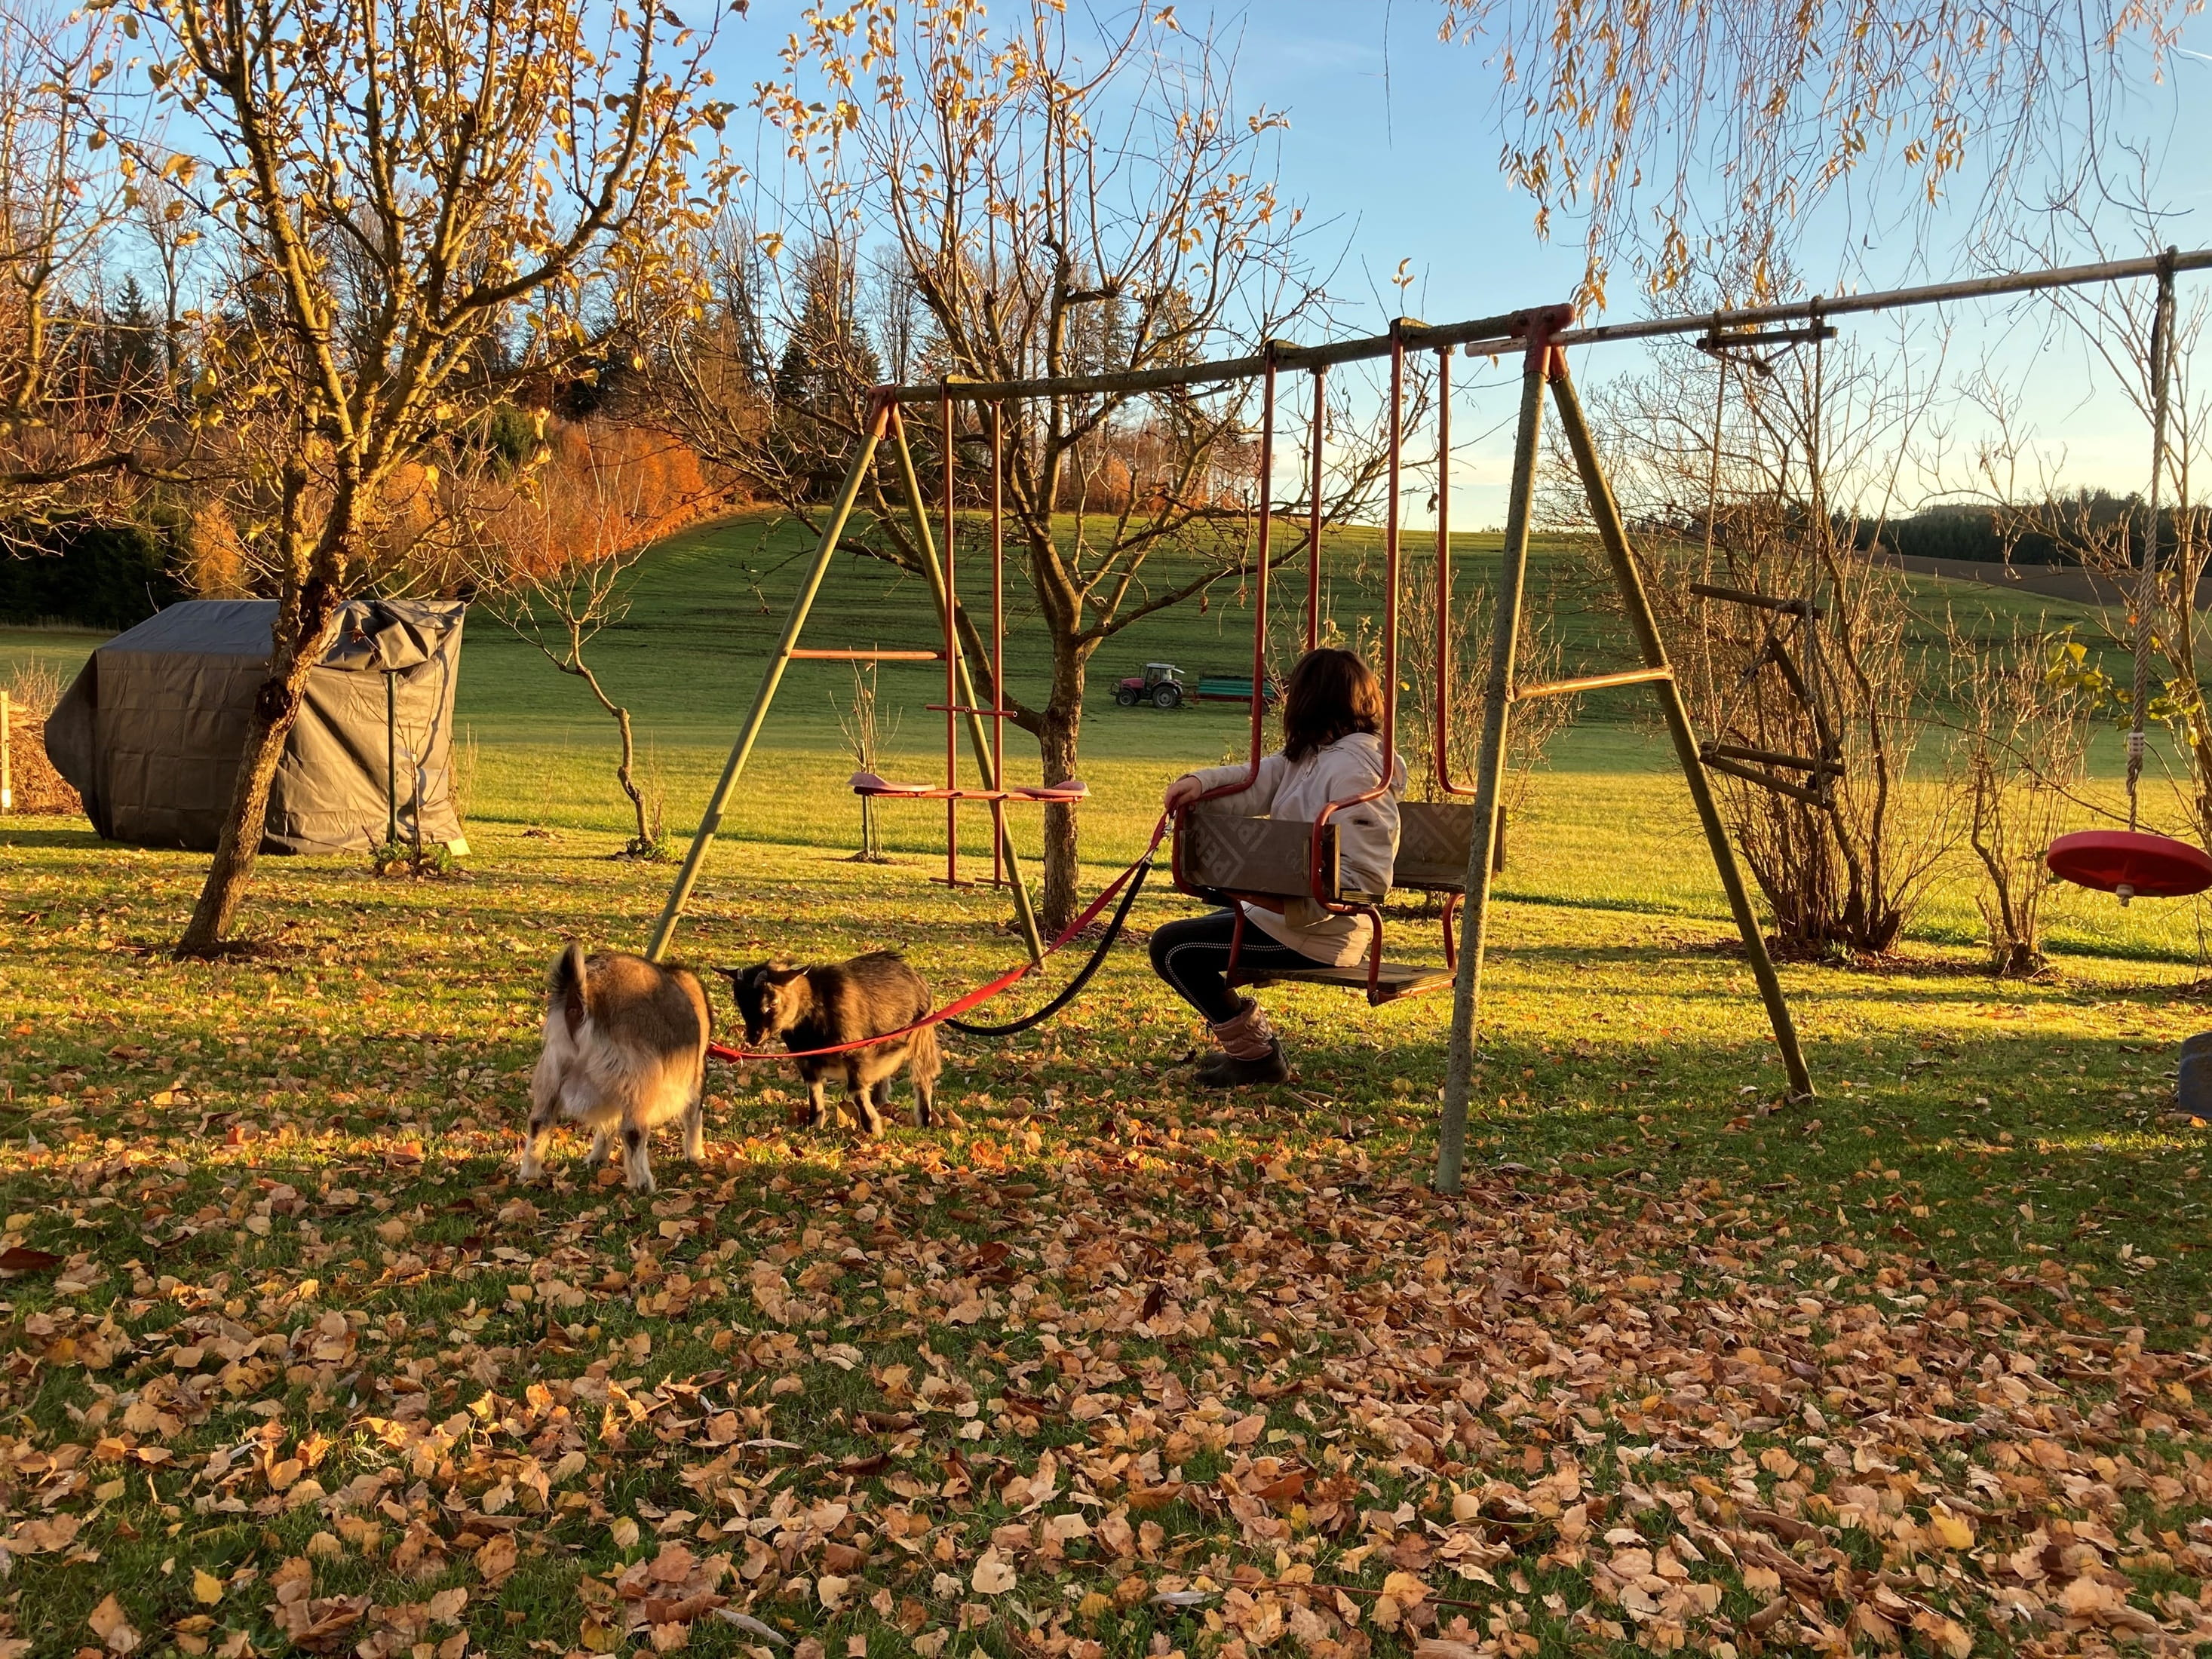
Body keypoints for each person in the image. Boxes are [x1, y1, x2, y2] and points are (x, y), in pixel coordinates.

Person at [1152, 647, 1407, 1087]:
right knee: (1183, 937)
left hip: (1320, 933)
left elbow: (1366, 876)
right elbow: (1257, 780)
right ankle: (1255, 1051)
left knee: (1172, 949)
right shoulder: (1315, 755)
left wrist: (1288, 899)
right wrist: (1199, 784)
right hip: (1287, 920)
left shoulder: (1354, 770)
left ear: (1311, 700)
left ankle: (1256, 1055)